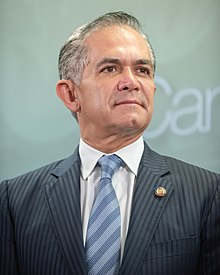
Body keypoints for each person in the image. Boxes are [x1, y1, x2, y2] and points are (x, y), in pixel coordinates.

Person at [0, 11, 219, 275]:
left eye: (142, 70)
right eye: (110, 68)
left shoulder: (208, 193)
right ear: (70, 94)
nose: (131, 82)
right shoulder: (15, 200)